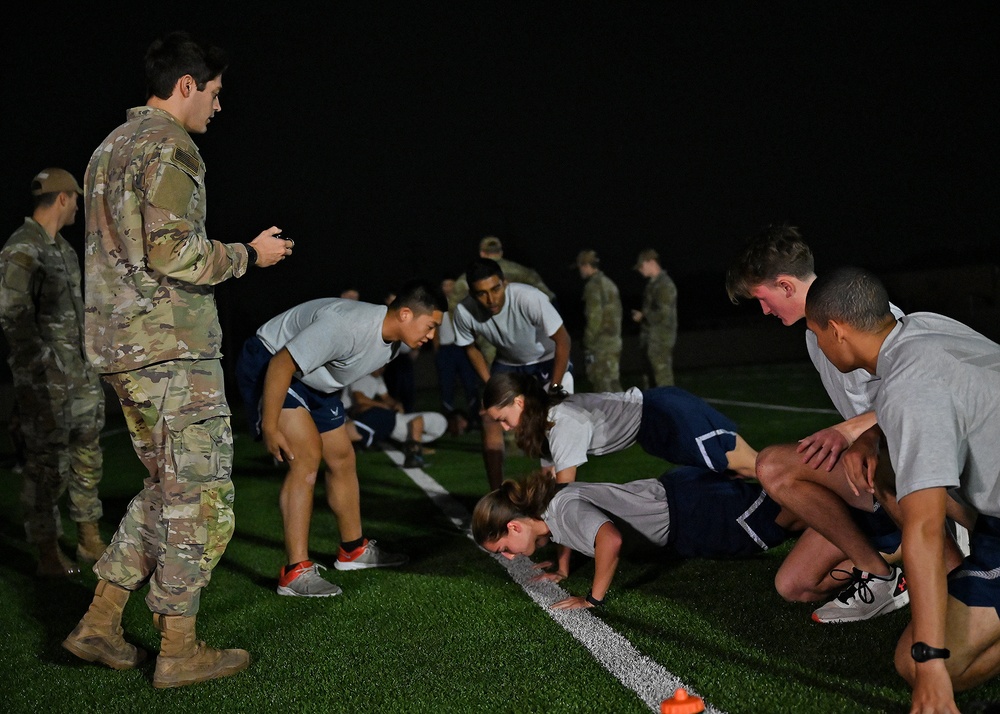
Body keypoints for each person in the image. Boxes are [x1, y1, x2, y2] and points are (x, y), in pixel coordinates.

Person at [62, 31, 292, 688]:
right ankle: (178, 647)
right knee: (208, 497)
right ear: (186, 86)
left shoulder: (108, 149)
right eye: (214, 94)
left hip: (121, 348)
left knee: (169, 490)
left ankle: (100, 623)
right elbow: (174, 253)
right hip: (169, 349)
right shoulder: (170, 145)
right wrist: (250, 255)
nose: (217, 108)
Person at [804, 266, 998, 713]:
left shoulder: (907, 385)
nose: (817, 345)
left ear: (836, 331)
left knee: (920, 664)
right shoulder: (925, 326)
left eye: (816, 334)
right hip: (992, 516)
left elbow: (926, 531)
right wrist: (870, 437)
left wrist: (930, 666)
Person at [725, 224, 918, 624]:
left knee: (772, 465)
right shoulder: (815, 332)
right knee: (793, 586)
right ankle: (891, 562)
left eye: (763, 299)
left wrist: (848, 432)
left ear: (786, 285)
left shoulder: (864, 314)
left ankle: (913, 549)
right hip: (869, 472)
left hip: (910, 470)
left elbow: (917, 393)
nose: (764, 311)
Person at [234, 281, 445, 598]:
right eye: (430, 326)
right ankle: (295, 573)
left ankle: (352, 550)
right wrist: (272, 426)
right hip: (272, 364)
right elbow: (281, 363)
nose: (431, 336)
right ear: (405, 314)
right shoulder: (347, 326)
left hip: (316, 380)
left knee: (343, 457)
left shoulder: (395, 341)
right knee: (306, 458)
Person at [482, 371, 759, 579]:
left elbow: (560, 503)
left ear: (519, 402)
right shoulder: (544, 427)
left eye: (503, 418)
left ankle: (796, 494)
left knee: (751, 466)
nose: (505, 428)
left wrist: (563, 567)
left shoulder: (561, 423)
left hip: (665, 414)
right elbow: (550, 505)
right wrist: (562, 566)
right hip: (653, 428)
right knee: (732, 471)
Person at [472, 466, 804, 610]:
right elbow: (567, 533)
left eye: (503, 549)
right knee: (780, 513)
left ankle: (847, 512)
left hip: (692, 510)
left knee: (782, 522)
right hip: (682, 500)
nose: (511, 556)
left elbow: (609, 540)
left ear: (514, 527)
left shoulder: (564, 510)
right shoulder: (549, 511)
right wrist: (562, 568)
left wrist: (593, 599)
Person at [0, 168, 106, 578]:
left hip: (80, 376)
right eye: (76, 198)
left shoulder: (62, 248)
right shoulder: (21, 249)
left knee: (87, 455)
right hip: (45, 382)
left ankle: (88, 537)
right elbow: (12, 316)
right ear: (62, 198)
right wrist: (44, 368)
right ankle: (47, 553)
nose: (79, 205)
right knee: (47, 466)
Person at [451, 258, 572, 490]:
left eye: (495, 289)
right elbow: (470, 348)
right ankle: (497, 496)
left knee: (553, 423)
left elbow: (563, 340)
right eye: (482, 293)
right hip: (509, 363)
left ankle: (558, 501)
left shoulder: (529, 298)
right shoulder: (464, 312)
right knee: (489, 417)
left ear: (505, 283)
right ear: (472, 294)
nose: (491, 299)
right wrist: (490, 385)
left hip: (546, 360)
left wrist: (554, 388)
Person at [450, 236, 558, 370]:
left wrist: (470, 333)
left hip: (488, 337)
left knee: (499, 382)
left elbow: (454, 308)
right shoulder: (522, 272)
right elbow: (547, 297)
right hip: (522, 335)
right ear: (500, 252)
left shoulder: (467, 279)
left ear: (482, 253)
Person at [344, 365, 448, 467]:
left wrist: (395, 404)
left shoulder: (378, 379)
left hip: (382, 420)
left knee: (347, 438)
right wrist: (415, 451)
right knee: (343, 436)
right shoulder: (362, 377)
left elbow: (386, 398)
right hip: (354, 413)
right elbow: (360, 400)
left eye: (384, 367)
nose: (382, 370)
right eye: (380, 366)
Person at [433, 277, 480, 433]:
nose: (448, 288)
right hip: (446, 350)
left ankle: (473, 420)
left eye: (451, 284)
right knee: (446, 386)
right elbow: (434, 330)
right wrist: (437, 350)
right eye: (445, 285)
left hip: (464, 348)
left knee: (470, 385)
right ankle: (447, 422)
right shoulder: (439, 305)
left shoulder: (465, 303)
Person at [574, 250, 622, 392]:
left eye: (580, 267)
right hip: (614, 342)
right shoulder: (609, 284)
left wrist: (587, 343)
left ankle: (611, 414)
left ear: (586, 265)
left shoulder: (593, 287)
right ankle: (628, 413)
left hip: (600, 345)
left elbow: (594, 318)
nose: (580, 271)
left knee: (602, 385)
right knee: (613, 383)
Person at [630, 248, 678, 388]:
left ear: (651, 262)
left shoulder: (665, 285)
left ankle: (668, 409)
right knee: (649, 382)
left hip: (660, 340)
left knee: (663, 382)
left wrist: (643, 316)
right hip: (651, 339)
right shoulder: (653, 285)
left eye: (641, 266)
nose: (640, 270)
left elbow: (663, 314)